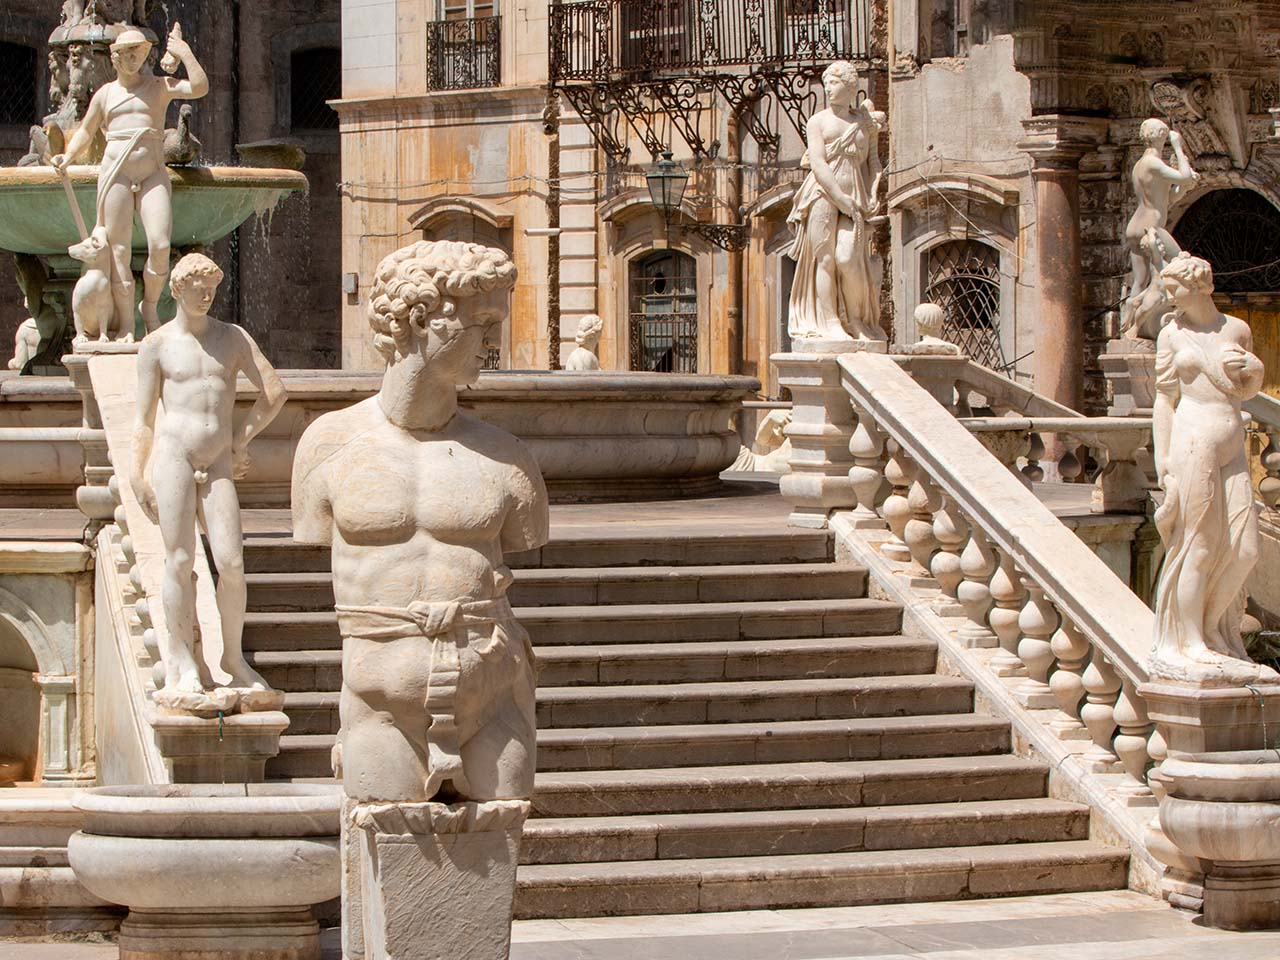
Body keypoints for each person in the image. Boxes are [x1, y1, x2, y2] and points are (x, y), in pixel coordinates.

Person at [291, 240, 548, 803]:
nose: (494, 342)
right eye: (481, 323)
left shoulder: (507, 457)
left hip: (493, 699)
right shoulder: (329, 446)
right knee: (386, 845)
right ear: (417, 319)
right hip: (381, 707)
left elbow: (525, 537)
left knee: (498, 841)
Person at [132, 253, 286, 708]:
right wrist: (139, 474)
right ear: (176, 291)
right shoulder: (156, 346)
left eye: (212, 288)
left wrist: (241, 438)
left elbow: (274, 392)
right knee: (179, 560)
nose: (206, 295)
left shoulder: (232, 338)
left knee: (232, 562)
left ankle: (233, 659)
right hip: (174, 456)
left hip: (218, 460)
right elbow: (142, 420)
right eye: (197, 287)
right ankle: (181, 664)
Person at [1150, 253, 1277, 685]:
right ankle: (1188, 642)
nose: (1168, 297)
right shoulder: (1171, 335)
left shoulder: (1236, 329)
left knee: (1245, 550)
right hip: (1194, 438)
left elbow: (1246, 389)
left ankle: (1215, 633)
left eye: (1174, 289)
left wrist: (1256, 372)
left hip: (1231, 441)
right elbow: (1164, 400)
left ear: (1200, 285)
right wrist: (1162, 462)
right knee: (1197, 547)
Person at [52, 24, 208, 338]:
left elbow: (199, 87)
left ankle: (148, 306)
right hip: (116, 172)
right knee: (118, 251)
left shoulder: (159, 85)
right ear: (114, 57)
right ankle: (125, 325)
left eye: (138, 53)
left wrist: (184, 52)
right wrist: (67, 156)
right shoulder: (105, 94)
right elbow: (86, 130)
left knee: (160, 245)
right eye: (126, 53)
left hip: (152, 171)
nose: (133, 59)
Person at [787, 60, 886, 344]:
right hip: (822, 193)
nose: (828, 88)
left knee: (848, 258)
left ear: (851, 87)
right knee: (826, 259)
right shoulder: (817, 122)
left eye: (835, 83)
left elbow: (873, 163)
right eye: (827, 83)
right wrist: (839, 197)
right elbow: (817, 162)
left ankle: (855, 319)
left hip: (854, 196)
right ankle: (830, 322)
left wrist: (872, 193)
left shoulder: (863, 123)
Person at [1121, 118, 1198, 340]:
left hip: (1137, 224)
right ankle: (1139, 327)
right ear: (1161, 136)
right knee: (1168, 273)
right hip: (1151, 227)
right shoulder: (1153, 163)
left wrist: (1185, 189)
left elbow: (1168, 200)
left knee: (1139, 281)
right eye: (1166, 137)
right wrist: (1178, 145)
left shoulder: (1140, 166)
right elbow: (1183, 176)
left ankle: (1129, 330)